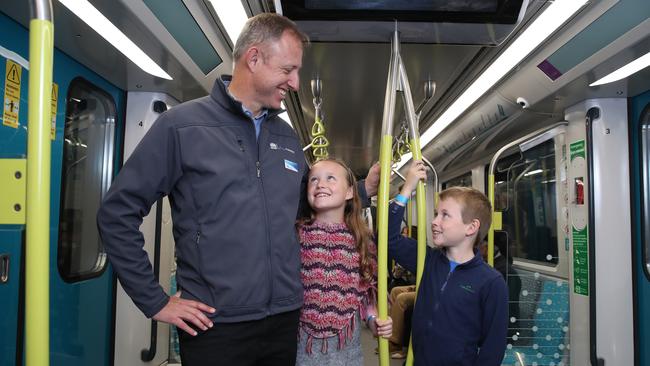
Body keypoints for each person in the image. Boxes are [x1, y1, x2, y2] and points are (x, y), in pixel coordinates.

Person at [96, 13, 379, 366]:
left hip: (286, 320)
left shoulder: (287, 138)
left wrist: (362, 192)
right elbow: (116, 214)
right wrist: (155, 300)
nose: (295, 82)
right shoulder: (182, 127)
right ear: (255, 58)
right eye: (288, 70)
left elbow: (308, 207)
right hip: (216, 326)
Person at [384, 160, 508, 365]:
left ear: (471, 227)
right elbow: (388, 239)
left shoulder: (491, 282)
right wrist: (407, 189)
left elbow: (492, 350)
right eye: (435, 214)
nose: (434, 221)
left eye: (445, 216)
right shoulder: (429, 259)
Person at [296, 158, 392, 365]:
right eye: (313, 180)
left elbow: (365, 294)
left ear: (350, 192)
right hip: (302, 346)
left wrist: (374, 321)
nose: (320, 184)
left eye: (330, 178)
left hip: (347, 349)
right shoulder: (296, 235)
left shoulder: (361, 240)